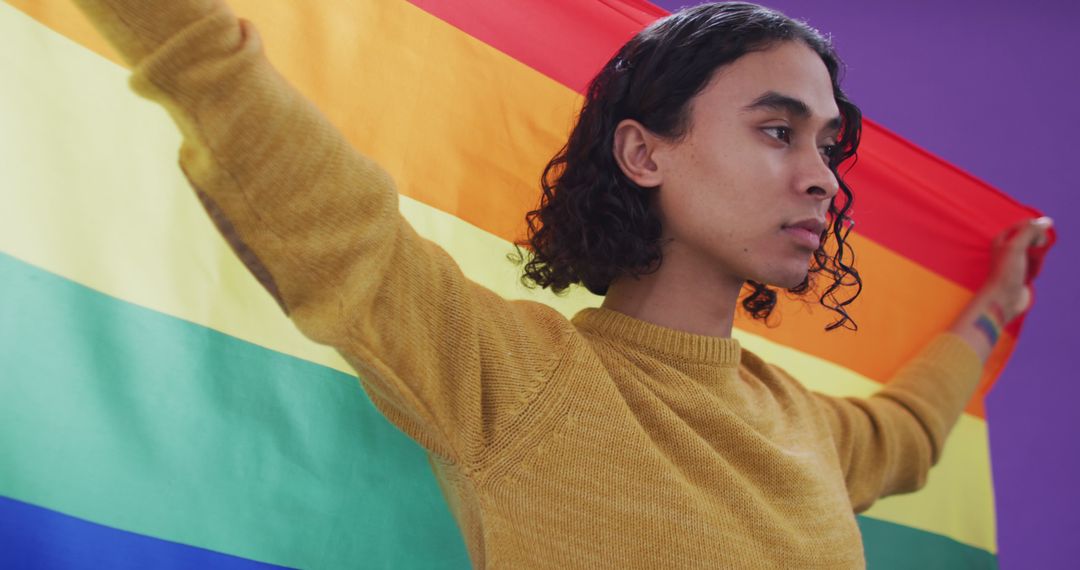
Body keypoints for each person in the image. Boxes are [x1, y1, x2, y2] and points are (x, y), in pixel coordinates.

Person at [68, 0, 1051, 567]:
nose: (823, 178)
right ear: (644, 152)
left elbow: (915, 432)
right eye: (776, 128)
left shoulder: (808, 426)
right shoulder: (517, 382)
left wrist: (995, 303)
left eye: (829, 147)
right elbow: (327, 216)